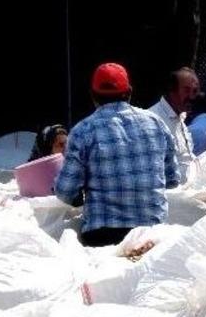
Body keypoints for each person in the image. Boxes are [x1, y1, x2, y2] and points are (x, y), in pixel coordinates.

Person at [55, 63, 180, 247]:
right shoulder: (156, 124)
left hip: (102, 237)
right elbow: (172, 180)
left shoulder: (83, 131)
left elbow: (65, 191)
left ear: (93, 95)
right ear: (129, 92)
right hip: (152, 236)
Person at [149, 67, 199, 176]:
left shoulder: (181, 117)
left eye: (195, 91)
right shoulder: (153, 120)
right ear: (172, 91)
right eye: (186, 90)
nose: (192, 96)